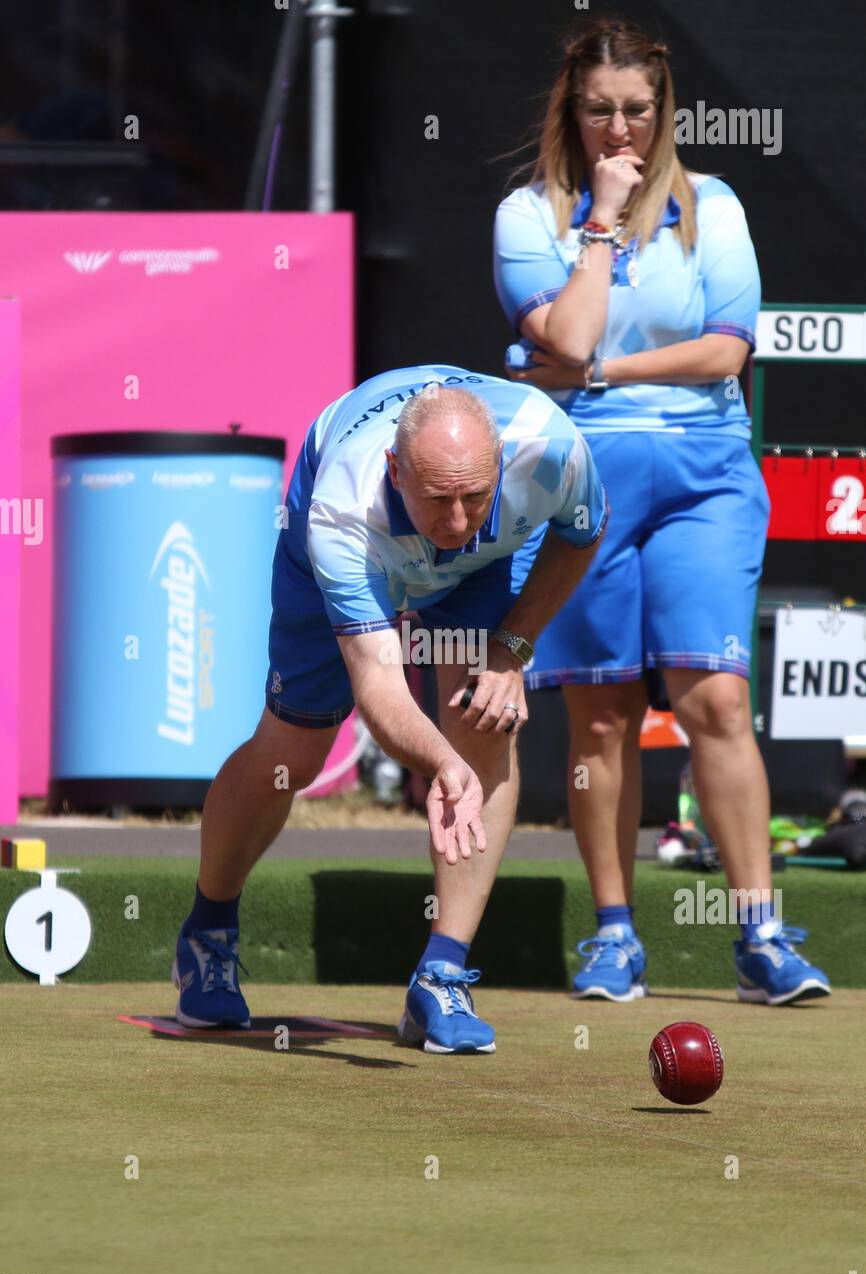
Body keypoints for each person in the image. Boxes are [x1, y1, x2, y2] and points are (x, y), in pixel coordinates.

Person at [493, 17, 830, 1006]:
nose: (616, 129)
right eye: (597, 110)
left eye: (635, 110)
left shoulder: (711, 207)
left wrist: (596, 367)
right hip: (577, 481)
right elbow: (557, 325)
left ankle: (758, 935)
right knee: (596, 717)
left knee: (714, 698)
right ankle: (612, 936)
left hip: (703, 471)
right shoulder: (528, 217)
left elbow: (723, 353)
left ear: (663, 110)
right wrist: (598, 221)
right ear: (570, 109)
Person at [172, 366, 607, 1052]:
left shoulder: (551, 450)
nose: (458, 521)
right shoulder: (341, 510)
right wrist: (438, 760)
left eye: (476, 496)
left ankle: (442, 975)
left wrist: (513, 646)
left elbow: (582, 536)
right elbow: (378, 681)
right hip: (363, 554)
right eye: (439, 499)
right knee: (293, 756)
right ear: (396, 471)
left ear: (501, 467)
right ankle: (208, 932)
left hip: (475, 578)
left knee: (483, 723)